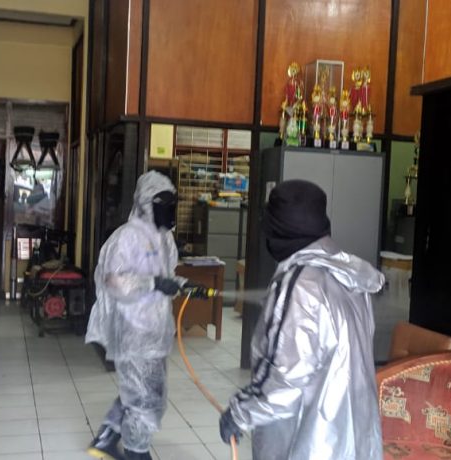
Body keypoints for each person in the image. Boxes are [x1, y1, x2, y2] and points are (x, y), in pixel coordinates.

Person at [219, 180, 385, 459]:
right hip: (353, 437)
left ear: (280, 231)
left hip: (312, 441)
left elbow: (284, 378)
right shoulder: (351, 277)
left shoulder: (299, 285)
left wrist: (239, 413)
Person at [85, 171, 207, 460]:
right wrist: (153, 283)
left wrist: (183, 285)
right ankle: (136, 452)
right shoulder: (126, 237)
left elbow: (166, 276)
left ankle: (106, 438)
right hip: (132, 329)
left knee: (144, 391)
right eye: (163, 203)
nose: (170, 209)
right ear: (145, 203)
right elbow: (113, 281)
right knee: (145, 397)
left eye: (173, 202)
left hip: (156, 328)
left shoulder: (165, 238)